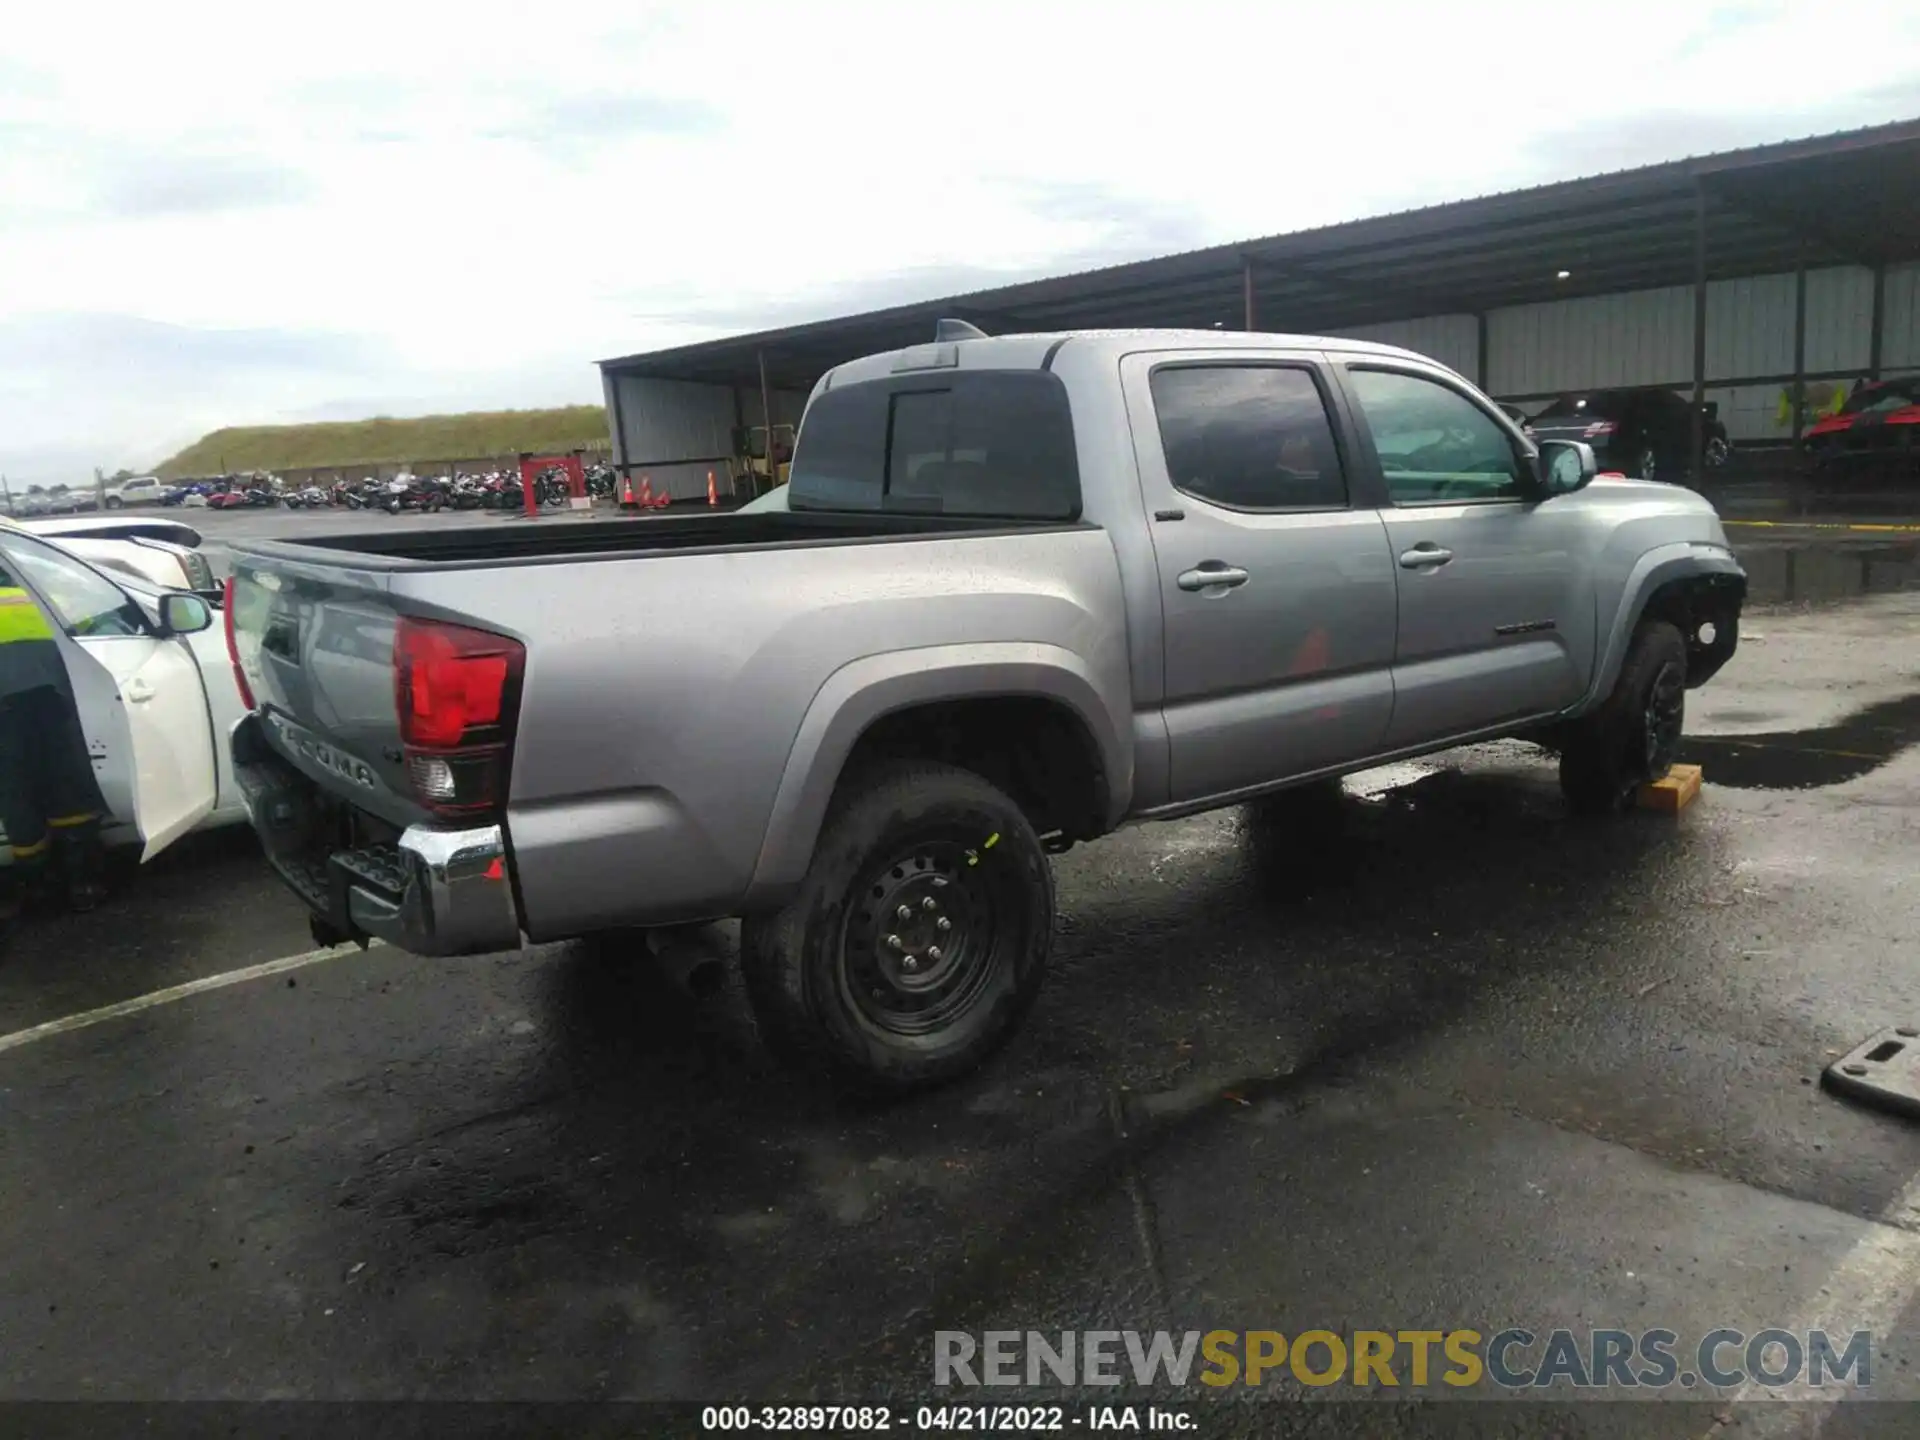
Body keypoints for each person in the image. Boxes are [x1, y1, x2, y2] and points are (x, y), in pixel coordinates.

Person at [0, 555, 107, 934]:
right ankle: (82, 883)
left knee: (17, 798)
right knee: (67, 785)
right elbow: (100, 619)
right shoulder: (42, 588)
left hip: (9, 711)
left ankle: (37, 889)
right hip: (53, 701)